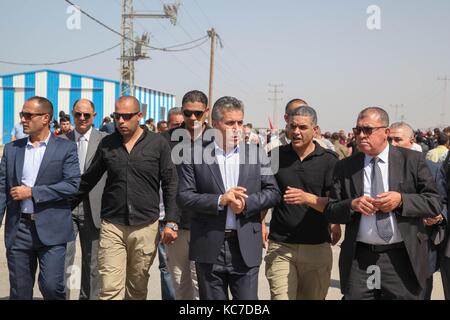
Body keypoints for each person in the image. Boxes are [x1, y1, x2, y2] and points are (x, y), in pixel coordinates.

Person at [323, 107, 441, 300]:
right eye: (357, 130)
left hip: (401, 258)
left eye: (368, 130)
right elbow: (331, 210)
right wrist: (352, 205)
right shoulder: (346, 166)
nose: (361, 135)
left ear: (385, 132)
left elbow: (434, 202)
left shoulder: (411, 160)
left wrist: (401, 200)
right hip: (361, 259)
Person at [73, 96, 178, 300]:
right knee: (110, 288)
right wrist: (62, 205)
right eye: (117, 116)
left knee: (136, 288)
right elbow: (88, 180)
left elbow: (170, 183)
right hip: (113, 226)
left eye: (126, 116)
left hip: (146, 226)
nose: (120, 121)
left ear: (139, 116)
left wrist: (171, 221)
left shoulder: (158, 143)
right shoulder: (107, 144)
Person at [177, 96, 281, 300]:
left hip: (244, 247)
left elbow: (273, 193)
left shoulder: (257, 154)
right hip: (208, 246)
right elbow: (184, 197)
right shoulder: (194, 154)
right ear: (215, 124)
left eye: (240, 122)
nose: (237, 128)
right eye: (230, 123)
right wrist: (220, 200)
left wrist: (247, 203)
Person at [0, 96, 81, 299]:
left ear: (45, 118)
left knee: (52, 287)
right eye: (22, 115)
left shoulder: (65, 148)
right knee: (20, 291)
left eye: (28, 115)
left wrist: (33, 192)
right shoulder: (12, 150)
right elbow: (2, 188)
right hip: (19, 229)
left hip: (52, 230)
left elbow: (72, 185)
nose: (23, 119)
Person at [265, 106, 340, 300]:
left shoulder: (329, 161)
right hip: (281, 245)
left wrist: (308, 199)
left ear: (315, 130)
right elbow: (265, 193)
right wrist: (259, 222)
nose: (296, 131)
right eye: (293, 126)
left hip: (317, 246)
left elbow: (336, 203)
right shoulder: (274, 157)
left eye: (303, 127)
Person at [161, 90, 212, 300]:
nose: (192, 118)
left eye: (198, 113)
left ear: (206, 112)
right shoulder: (165, 140)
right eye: (188, 113)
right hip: (177, 224)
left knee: (203, 286)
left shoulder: (218, 140)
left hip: (208, 223)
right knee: (180, 283)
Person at [62, 99, 107, 300]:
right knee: (64, 261)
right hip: (66, 208)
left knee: (93, 263)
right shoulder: (61, 140)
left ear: (94, 116)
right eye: (78, 114)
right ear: (73, 114)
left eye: (86, 115)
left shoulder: (106, 141)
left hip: (93, 208)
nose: (82, 118)